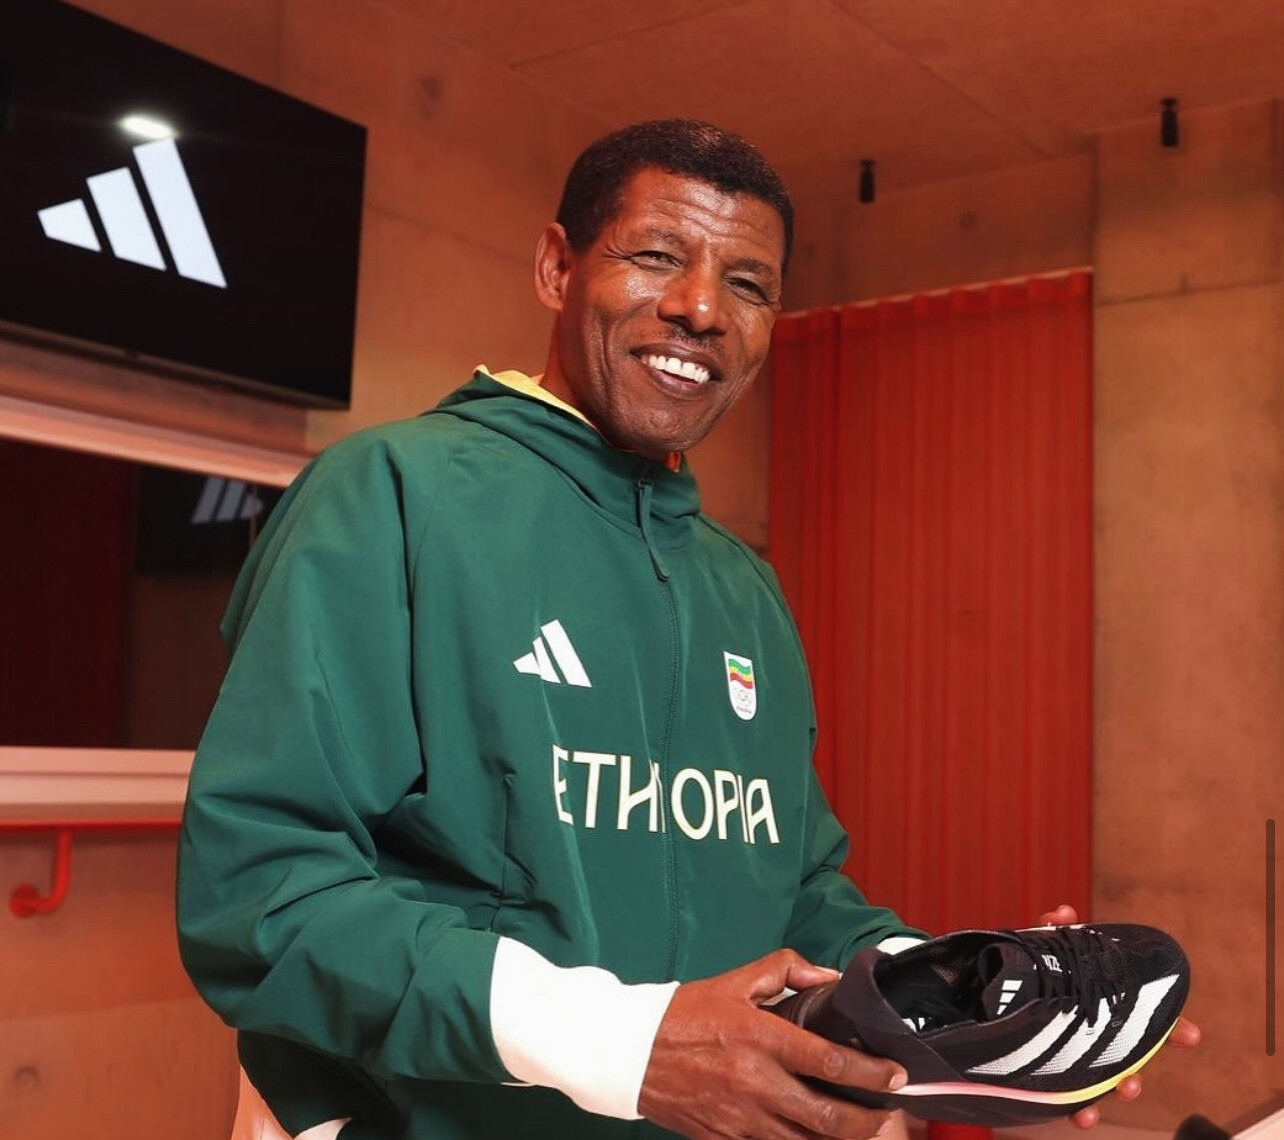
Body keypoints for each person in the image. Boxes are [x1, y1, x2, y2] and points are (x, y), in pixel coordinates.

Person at [177, 120, 1195, 1140]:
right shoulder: (392, 496)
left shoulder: (743, 585)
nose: (702, 309)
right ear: (557, 266)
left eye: (748, 284)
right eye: (658, 256)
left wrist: (952, 1001)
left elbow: (792, 892)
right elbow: (262, 900)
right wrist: (624, 1046)